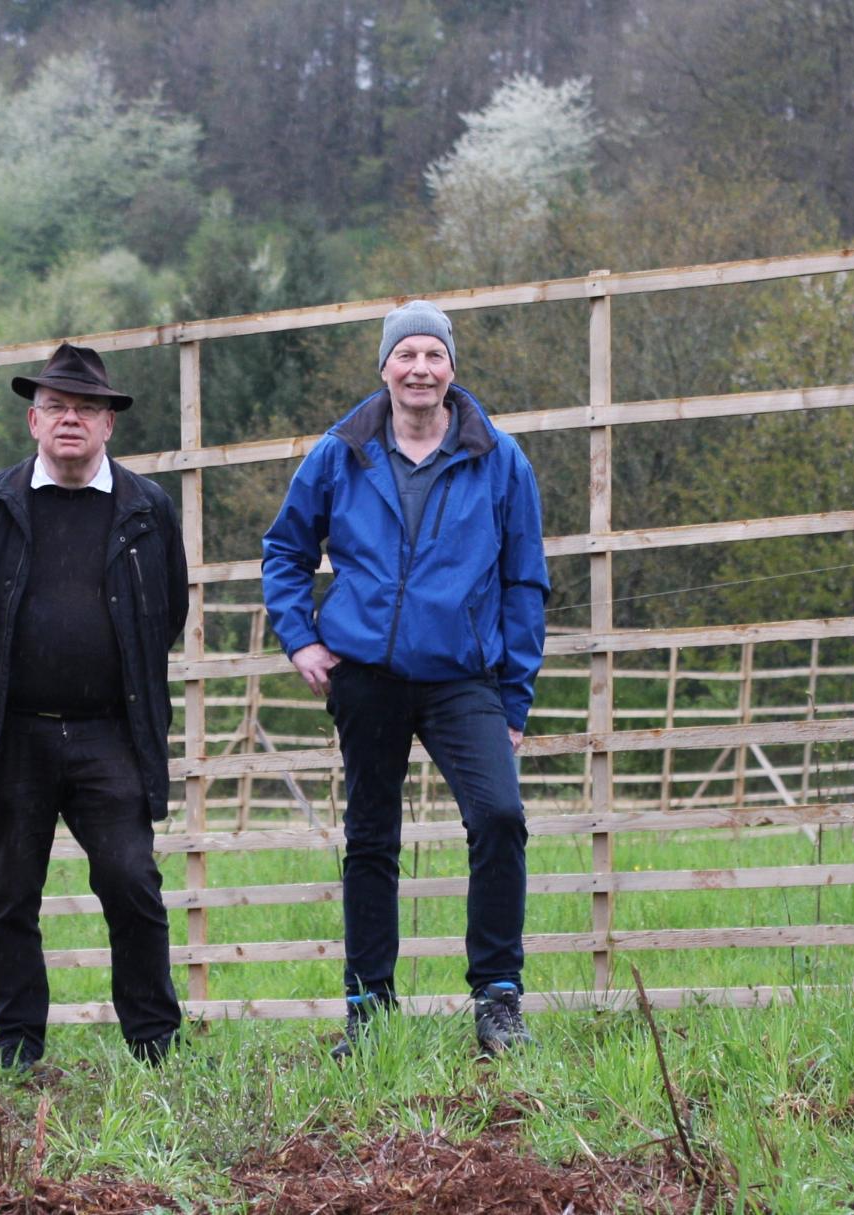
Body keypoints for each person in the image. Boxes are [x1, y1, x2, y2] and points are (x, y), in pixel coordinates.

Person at [260, 301, 549, 1057]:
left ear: (452, 369)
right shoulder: (340, 453)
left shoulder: (500, 460)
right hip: (370, 676)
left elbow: (524, 583)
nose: (420, 368)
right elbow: (284, 550)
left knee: (499, 818)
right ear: (385, 367)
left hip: (465, 679)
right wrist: (301, 640)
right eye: (406, 354)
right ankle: (369, 1007)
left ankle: (498, 997)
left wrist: (514, 696)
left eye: (434, 355)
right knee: (371, 838)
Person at [0, 342, 188, 1073]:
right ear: (34, 421)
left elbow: (167, 610)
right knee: (11, 893)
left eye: (87, 408)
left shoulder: (147, 507)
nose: (71, 419)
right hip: (13, 734)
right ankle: (18, 1049)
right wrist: (3, 667)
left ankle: (156, 1044)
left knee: (133, 881)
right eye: (57, 407)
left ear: (110, 424)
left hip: (111, 733)